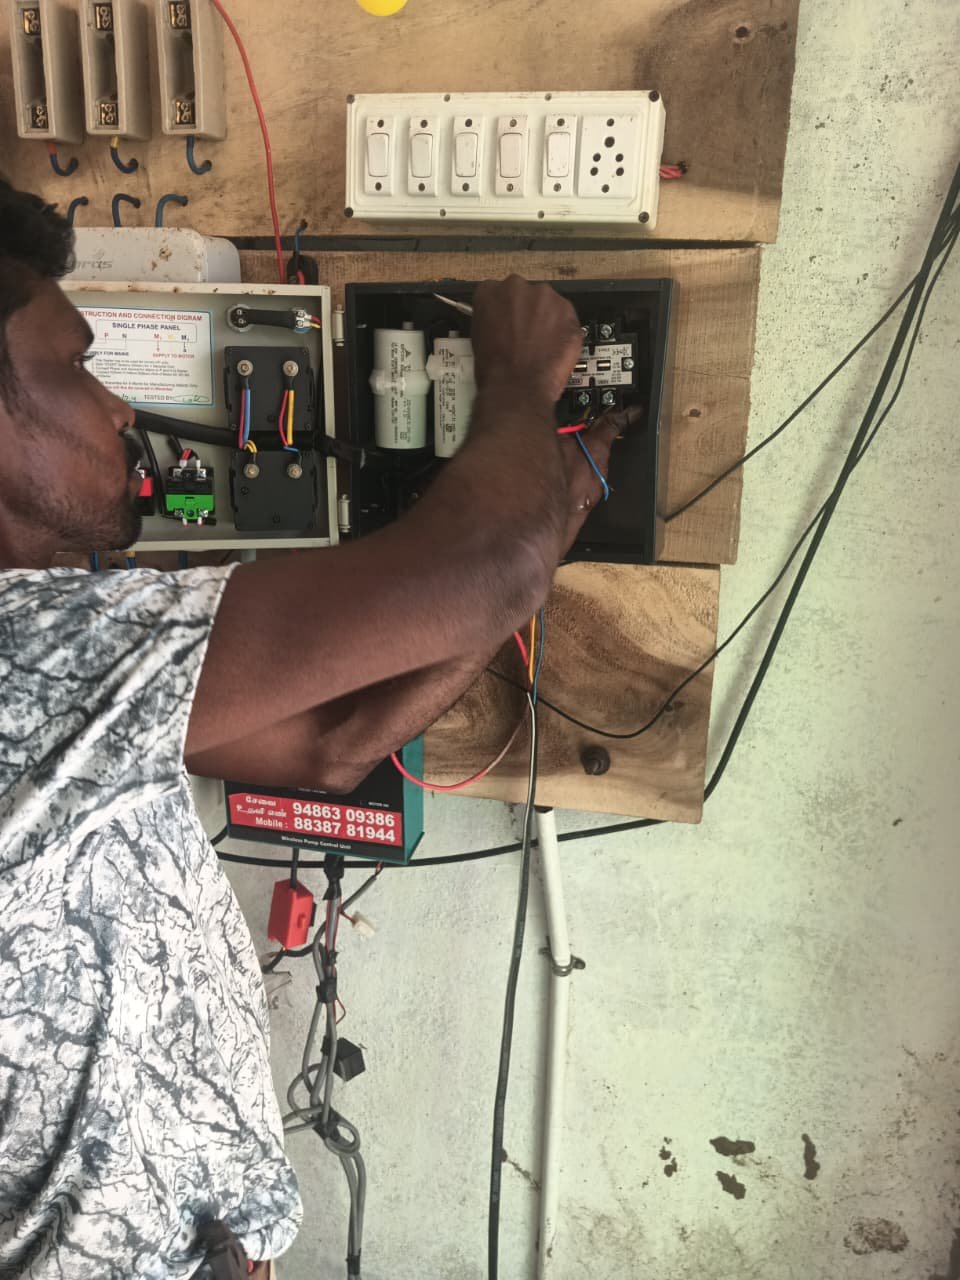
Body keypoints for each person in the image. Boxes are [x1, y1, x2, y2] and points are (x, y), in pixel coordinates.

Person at [0, 180, 626, 1278]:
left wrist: (549, 517)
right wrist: (519, 383)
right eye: (76, 367)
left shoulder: (66, 672)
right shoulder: (28, 655)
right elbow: (485, 566)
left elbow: (332, 747)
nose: (121, 410)